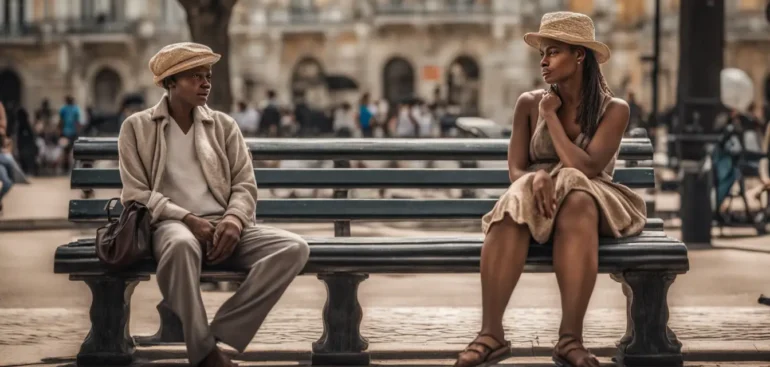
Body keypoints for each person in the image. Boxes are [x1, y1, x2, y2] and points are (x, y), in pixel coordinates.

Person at [452, 12, 646, 367]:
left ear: (579, 55)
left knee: (576, 196)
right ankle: (490, 334)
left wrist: (552, 117)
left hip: (593, 197)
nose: (543, 61)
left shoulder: (614, 109)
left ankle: (570, 339)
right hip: (537, 197)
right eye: (542, 53)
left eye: (553, 51)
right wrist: (534, 178)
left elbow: (585, 167)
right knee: (512, 206)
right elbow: (515, 168)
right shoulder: (528, 103)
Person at [118, 42, 310, 367]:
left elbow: (244, 184)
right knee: (180, 246)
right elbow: (136, 194)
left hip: (224, 227)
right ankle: (204, 352)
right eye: (196, 76)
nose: (206, 83)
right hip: (170, 226)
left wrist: (234, 220)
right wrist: (188, 219)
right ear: (171, 82)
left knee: (294, 248)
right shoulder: (137, 128)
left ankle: (217, 333)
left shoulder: (223, 125)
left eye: (207, 76)